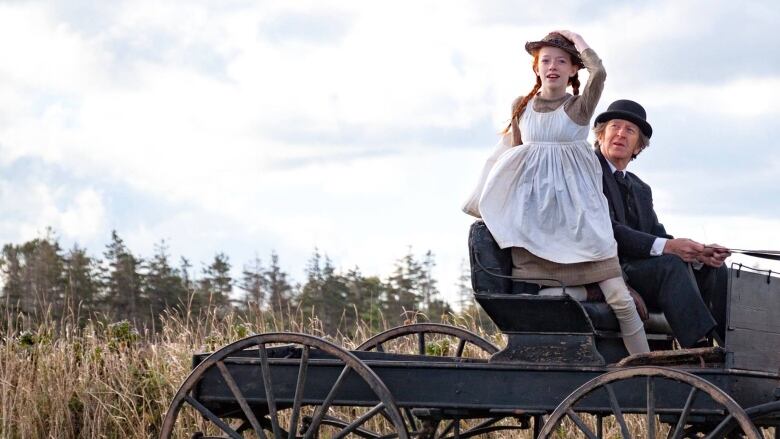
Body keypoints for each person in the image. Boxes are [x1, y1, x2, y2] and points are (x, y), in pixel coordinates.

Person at [463, 31, 650, 354]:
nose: (552, 66)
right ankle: (573, 316)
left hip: (580, 217)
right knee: (538, 298)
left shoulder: (578, 107)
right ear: (536, 68)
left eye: (561, 61)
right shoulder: (521, 107)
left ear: (573, 70)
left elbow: (600, 73)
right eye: (546, 60)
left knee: (620, 298)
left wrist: (577, 40)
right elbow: (514, 159)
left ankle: (647, 368)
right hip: (538, 218)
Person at [592, 99, 730, 348]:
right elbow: (607, 230)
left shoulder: (641, 188)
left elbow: (657, 234)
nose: (621, 134)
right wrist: (670, 248)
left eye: (630, 131)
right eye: (615, 126)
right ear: (601, 135)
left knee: (715, 269)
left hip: (644, 271)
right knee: (670, 265)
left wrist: (699, 252)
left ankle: (726, 345)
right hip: (612, 269)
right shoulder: (587, 174)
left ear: (638, 147)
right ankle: (698, 348)